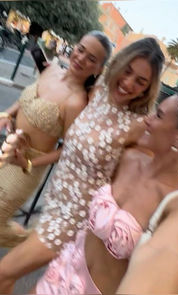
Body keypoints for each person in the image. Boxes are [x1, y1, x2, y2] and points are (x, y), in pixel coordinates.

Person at [0, 37, 165, 293]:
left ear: (147, 90)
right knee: (10, 278)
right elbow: (58, 85)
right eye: (127, 71)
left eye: (140, 82)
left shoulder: (139, 126)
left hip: (74, 219)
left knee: (3, 272)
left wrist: (177, 213)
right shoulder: (97, 93)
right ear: (118, 65)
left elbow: (163, 171)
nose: (128, 83)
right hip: (53, 203)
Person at [29, 93, 178, 294]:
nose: (148, 119)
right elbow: (81, 152)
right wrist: (29, 162)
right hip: (62, 269)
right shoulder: (129, 158)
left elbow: (166, 250)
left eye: (159, 115)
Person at [0, 30, 111, 247]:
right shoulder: (50, 71)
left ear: (98, 69)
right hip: (6, 149)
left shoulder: (77, 102)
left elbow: (68, 150)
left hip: (24, 170)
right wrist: (7, 114)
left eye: (92, 59)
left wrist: (28, 162)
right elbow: (26, 101)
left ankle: (28, 241)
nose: (80, 58)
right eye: (81, 50)